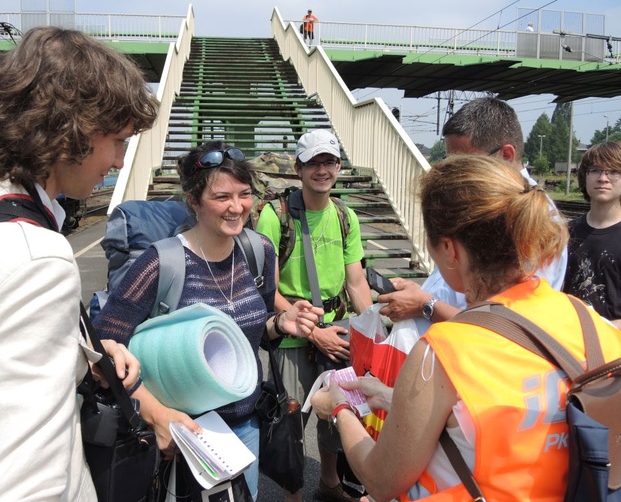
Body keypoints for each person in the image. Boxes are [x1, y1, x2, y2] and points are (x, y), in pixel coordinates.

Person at [311, 155, 621, 501]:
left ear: (449, 250)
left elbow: (383, 481)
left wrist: (340, 409)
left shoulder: (442, 353)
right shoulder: (591, 323)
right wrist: (388, 396)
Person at [0, 26, 153, 500]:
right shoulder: (36, 259)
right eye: (118, 141)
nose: (121, 161)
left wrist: (82, 352)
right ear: (72, 132)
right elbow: (21, 482)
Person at [92, 140, 321, 501]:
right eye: (221, 197)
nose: (236, 207)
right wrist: (155, 414)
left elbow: (246, 337)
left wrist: (280, 324)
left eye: (244, 194)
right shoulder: (161, 262)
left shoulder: (258, 251)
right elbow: (105, 347)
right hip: (179, 432)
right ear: (194, 201)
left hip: (244, 427)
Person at [379, 97, 568, 335]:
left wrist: (425, 305)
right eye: (450, 161)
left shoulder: (531, 217)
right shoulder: (483, 205)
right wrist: (423, 294)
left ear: (506, 155)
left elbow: (512, 327)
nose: (455, 173)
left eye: (465, 162)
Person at [256, 129, 373, 502]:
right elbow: (268, 289)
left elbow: (356, 281)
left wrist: (375, 338)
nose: (322, 170)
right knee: (291, 419)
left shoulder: (345, 216)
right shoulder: (275, 217)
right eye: (313, 163)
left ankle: (329, 483)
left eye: (329, 162)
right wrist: (309, 330)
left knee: (339, 413)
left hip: (336, 328)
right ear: (299, 168)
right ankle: (293, 494)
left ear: (338, 166)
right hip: (293, 331)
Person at [563, 141, 621, 327]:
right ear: (585, 176)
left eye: (613, 171)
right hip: (569, 341)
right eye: (595, 170)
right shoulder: (565, 233)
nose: (603, 178)